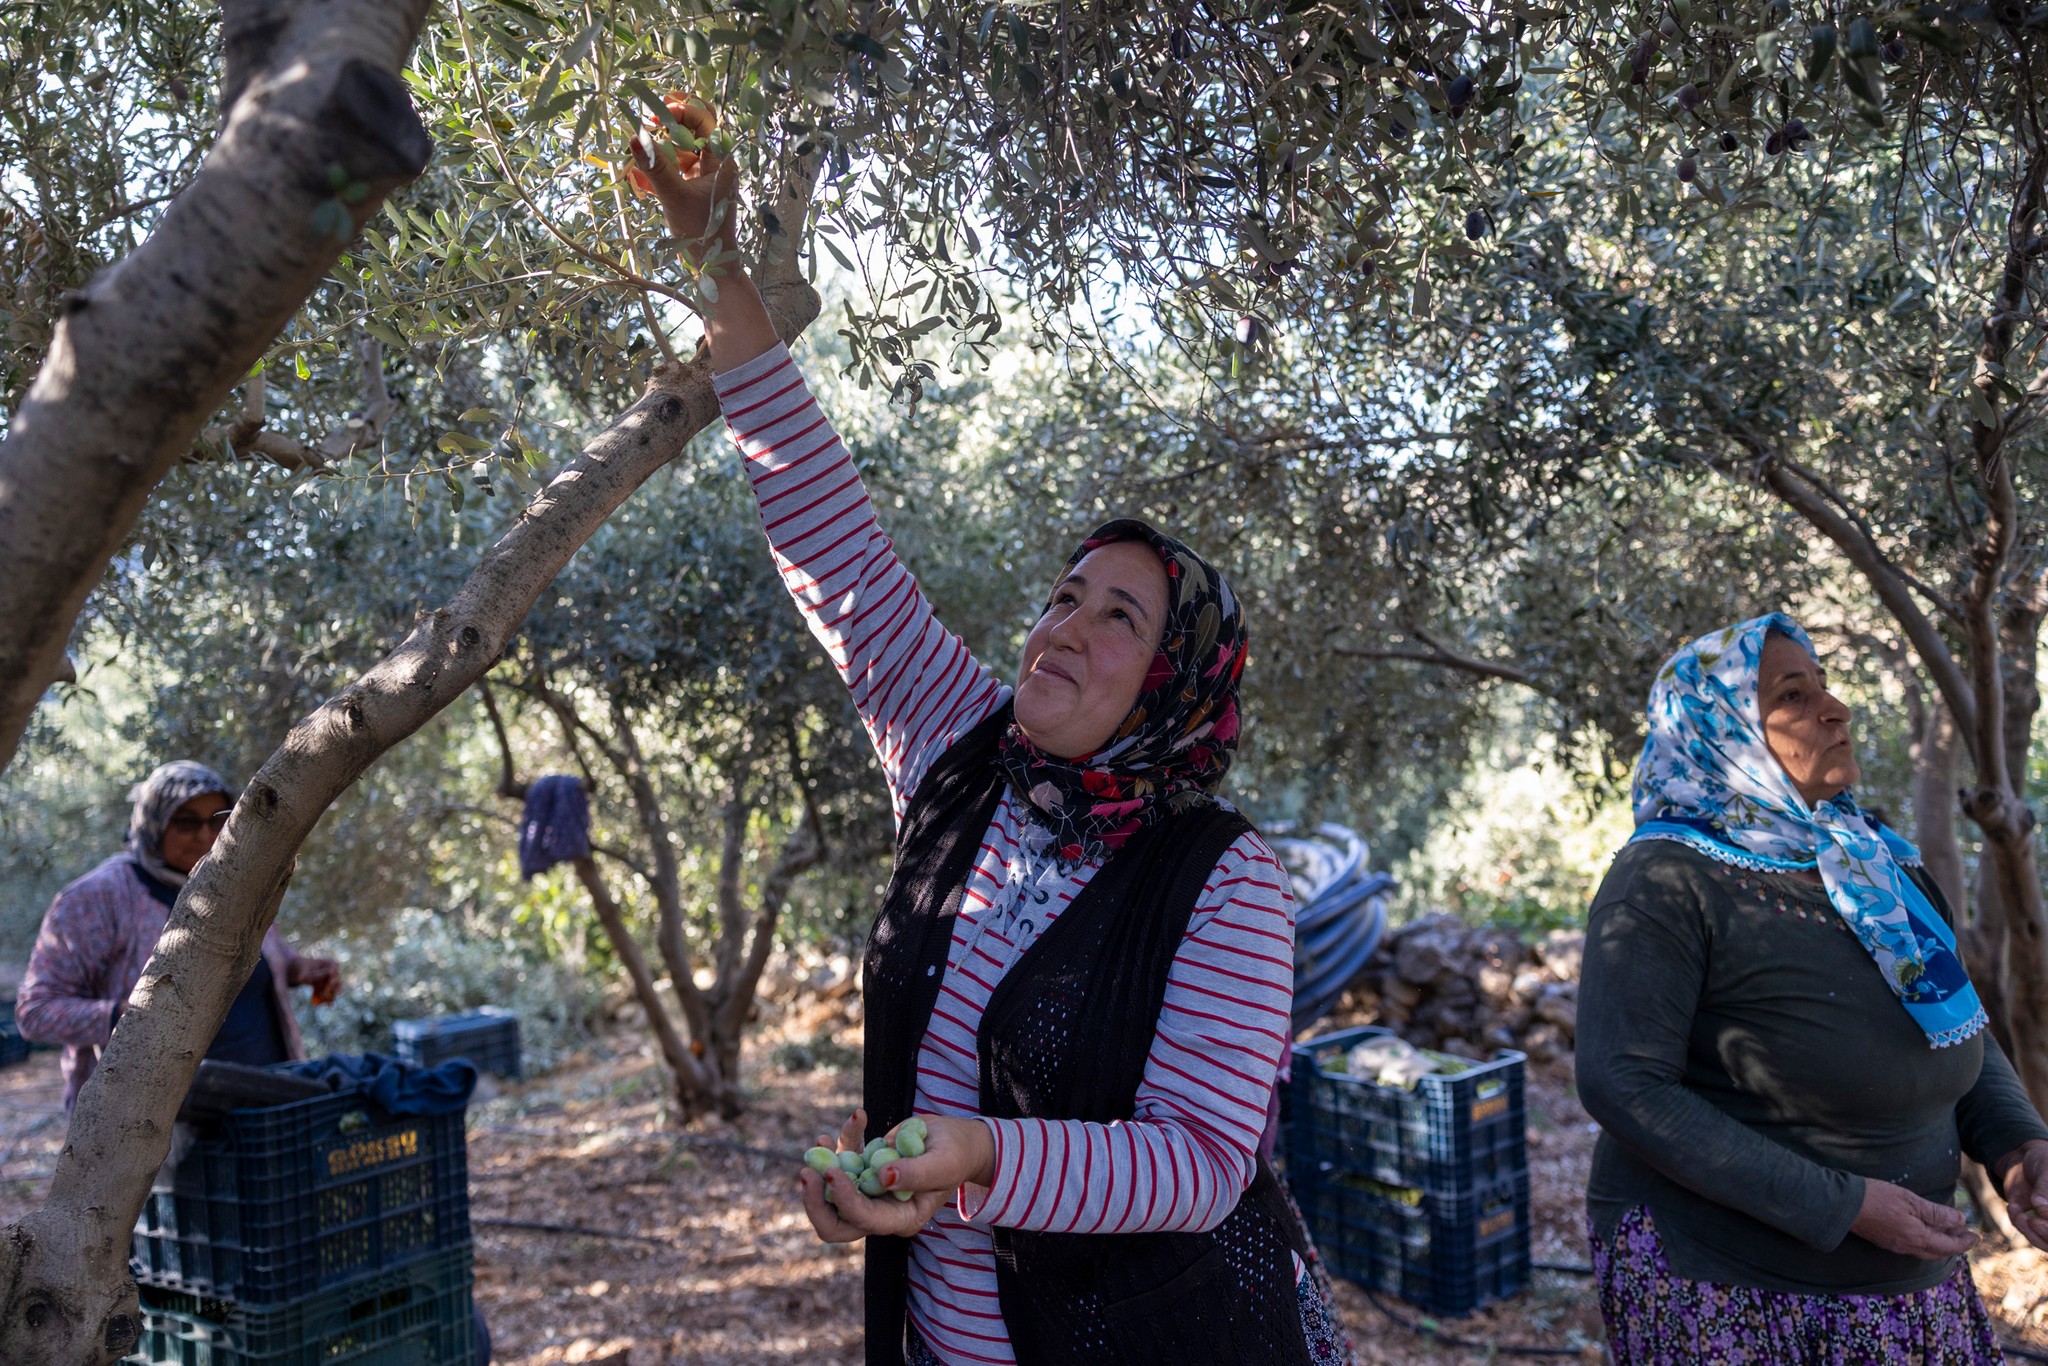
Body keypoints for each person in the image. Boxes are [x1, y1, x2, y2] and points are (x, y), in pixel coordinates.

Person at [624, 106, 1350, 1365]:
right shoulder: (959, 754)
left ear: (1174, 685)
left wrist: (981, 1161)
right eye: (1063, 594)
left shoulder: (1220, 879)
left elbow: (1197, 1161)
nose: (1066, 625)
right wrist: (711, 255)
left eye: (1119, 615)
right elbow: (828, 539)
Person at [1578, 613, 2048, 1364]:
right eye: (1793, 697)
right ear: (1718, 734)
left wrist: (2019, 1144)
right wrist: (1847, 1205)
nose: (1836, 709)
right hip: (1730, 1284)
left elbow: (1953, 1022)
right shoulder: (1665, 882)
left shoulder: (1871, 859)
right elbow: (1623, 1083)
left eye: (1825, 687)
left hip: (1909, 1273)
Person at [18, 760, 342, 1110]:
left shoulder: (237, 883)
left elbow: (267, 956)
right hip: (153, 1122)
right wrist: (125, 1015)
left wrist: (297, 970)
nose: (205, 836)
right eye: (186, 822)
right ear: (154, 823)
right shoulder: (96, 899)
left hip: (264, 1100)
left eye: (218, 819)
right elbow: (35, 1013)